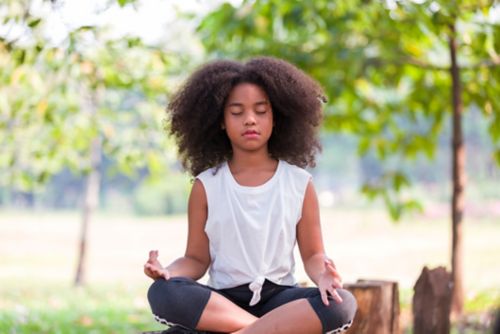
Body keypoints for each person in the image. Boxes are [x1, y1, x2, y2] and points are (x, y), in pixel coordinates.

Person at [144, 57, 357, 334]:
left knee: (342, 304)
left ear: (276, 118)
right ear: (220, 121)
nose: (250, 120)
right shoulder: (206, 185)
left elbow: (314, 254)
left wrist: (324, 277)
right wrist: (167, 272)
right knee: (163, 293)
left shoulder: (299, 183)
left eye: (261, 111)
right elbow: (196, 260)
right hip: (223, 303)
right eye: (236, 112)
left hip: (280, 299)